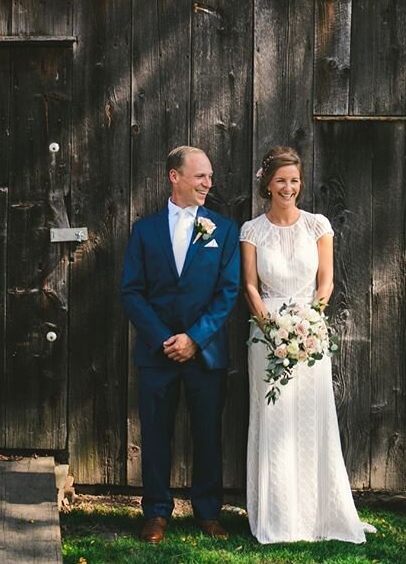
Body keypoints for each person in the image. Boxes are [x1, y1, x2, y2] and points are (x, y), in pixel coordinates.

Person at [240, 146, 368, 544]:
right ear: (267, 184)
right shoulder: (252, 230)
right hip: (267, 335)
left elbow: (326, 281)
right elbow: (250, 285)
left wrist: (311, 320)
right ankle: (278, 517)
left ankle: (320, 516)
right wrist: (272, 328)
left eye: (294, 180)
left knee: (313, 420)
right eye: (281, 181)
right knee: (274, 419)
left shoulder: (318, 225)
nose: (289, 187)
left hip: (311, 333)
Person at [121, 145, 240, 545]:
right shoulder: (145, 231)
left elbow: (228, 292)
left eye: (209, 176)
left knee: (208, 434)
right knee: (155, 435)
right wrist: (162, 339)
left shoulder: (223, 230)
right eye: (200, 176)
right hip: (157, 354)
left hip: (205, 353)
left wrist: (194, 338)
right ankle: (155, 513)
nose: (208, 183)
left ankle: (208, 512)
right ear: (174, 176)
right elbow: (132, 292)